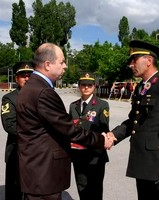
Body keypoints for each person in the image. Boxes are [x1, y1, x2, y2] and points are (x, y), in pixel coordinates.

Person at [16, 43, 115, 200]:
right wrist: (101, 139)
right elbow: (69, 129)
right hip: (44, 173)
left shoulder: (30, 87)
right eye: (62, 62)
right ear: (48, 64)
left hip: (36, 170)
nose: (65, 66)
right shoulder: (43, 92)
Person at [108, 40, 159, 200]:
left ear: (149, 60)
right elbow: (134, 121)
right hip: (143, 164)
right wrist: (113, 136)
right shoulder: (141, 87)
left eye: (134, 60)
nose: (130, 65)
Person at [69, 73, 110, 200]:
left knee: (95, 190)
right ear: (79, 86)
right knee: (82, 189)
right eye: (83, 85)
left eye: (89, 85)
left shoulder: (102, 105)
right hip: (78, 155)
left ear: (94, 87)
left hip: (95, 156)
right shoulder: (73, 106)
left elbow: (103, 129)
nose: (86, 87)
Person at [0, 61, 34, 200]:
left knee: (33, 191)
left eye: (29, 75)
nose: (26, 78)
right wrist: (35, 134)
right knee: (15, 191)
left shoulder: (40, 96)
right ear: (16, 78)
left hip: (36, 153)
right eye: (22, 75)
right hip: (17, 151)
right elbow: (9, 125)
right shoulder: (10, 98)